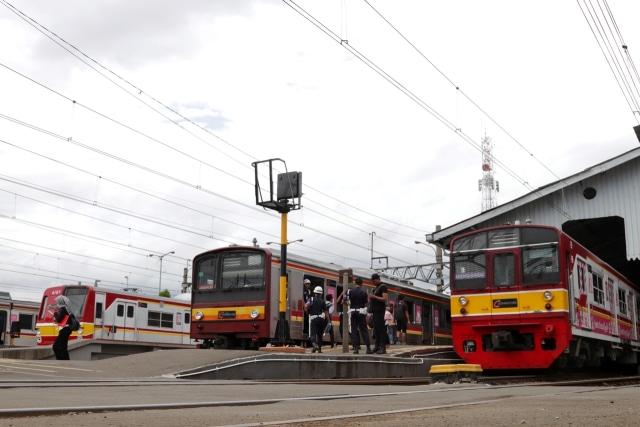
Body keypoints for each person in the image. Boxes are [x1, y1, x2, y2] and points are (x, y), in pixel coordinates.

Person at [344, 277, 372, 354]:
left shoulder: (349, 292)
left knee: (353, 330)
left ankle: (356, 348)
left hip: (353, 312)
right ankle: (368, 348)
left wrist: (349, 304)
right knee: (364, 330)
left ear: (355, 283)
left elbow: (343, 301)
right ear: (361, 284)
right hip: (361, 312)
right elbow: (366, 304)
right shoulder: (364, 293)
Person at [368, 273, 388, 354]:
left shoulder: (383, 287)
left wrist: (374, 297)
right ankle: (377, 346)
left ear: (377, 279)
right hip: (375, 311)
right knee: (376, 329)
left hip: (380, 310)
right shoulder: (375, 288)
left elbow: (385, 298)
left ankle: (383, 347)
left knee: (381, 329)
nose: (372, 282)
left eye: (373, 281)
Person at [307, 286, 330, 353]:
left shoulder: (311, 299)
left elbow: (306, 306)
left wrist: (308, 311)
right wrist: (329, 321)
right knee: (320, 334)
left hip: (314, 319)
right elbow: (326, 312)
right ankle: (319, 349)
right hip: (321, 319)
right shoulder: (323, 301)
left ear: (315, 292)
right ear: (321, 294)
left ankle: (314, 345)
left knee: (313, 333)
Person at [51, 295, 73, 360]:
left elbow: (59, 319)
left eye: (58, 301)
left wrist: (55, 312)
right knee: (63, 346)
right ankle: (66, 360)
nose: (57, 303)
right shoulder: (67, 308)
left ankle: (61, 360)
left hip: (64, 329)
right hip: (67, 329)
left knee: (56, 346)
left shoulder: (63, 308)